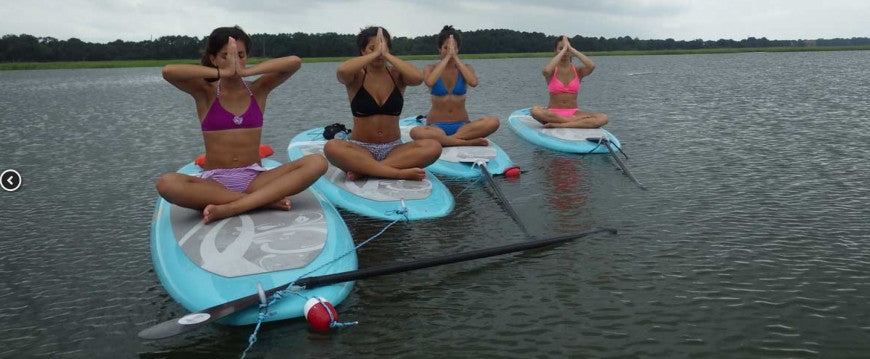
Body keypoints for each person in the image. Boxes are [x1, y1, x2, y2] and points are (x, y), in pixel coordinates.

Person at [156, 26, 327, 224]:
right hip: (215, 183)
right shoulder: (205, 93)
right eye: (226, 56)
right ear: (213, 59)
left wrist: (248, 71)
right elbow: (169, 72)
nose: (234, 61)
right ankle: (262, 202)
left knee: (317, 162)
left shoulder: (259, 89)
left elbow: (294, 62)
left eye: (240, 55)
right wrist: (223, 72)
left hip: (256, 179)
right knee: (166, 184)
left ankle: (234, 207)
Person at [324, 26, 441, 181]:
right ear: (362, 51)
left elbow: (418, 78)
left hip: (394, 149)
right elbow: (342, 72)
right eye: (372, 48)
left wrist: (385, 54)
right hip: (360, 148)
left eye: (383, 48)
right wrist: (375, 54)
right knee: (332, 147)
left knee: (433, 147)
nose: (378, 53)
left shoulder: (396, 75)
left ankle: (365, 170)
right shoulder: (356, 76)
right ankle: (395, 172)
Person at [409, 25, 499, 146]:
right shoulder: (430, 68)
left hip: (462, 126)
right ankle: (465, 142)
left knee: (493, 121)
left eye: (453, 48)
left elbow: (473, 83)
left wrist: (454, 57)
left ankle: (452, 140)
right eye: (445, 48)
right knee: (416, 132)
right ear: (439, 49)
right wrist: (446, 58)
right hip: (436, 127)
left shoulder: (466, 68)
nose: (450, 51)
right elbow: (429, 82)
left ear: (458, 49)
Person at [530, 36, 609, 128]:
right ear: (555, 51)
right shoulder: (551, 71)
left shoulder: (578, 71)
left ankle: (562, 125)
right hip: (553, 114)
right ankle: (569, 121)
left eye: (567, 49)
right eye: (561, 48)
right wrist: (563, 50)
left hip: (574, 113)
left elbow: (591, 66)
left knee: (604, 118)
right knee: (534, 111)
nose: (565, 51)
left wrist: (571, 49)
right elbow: (546, 71)